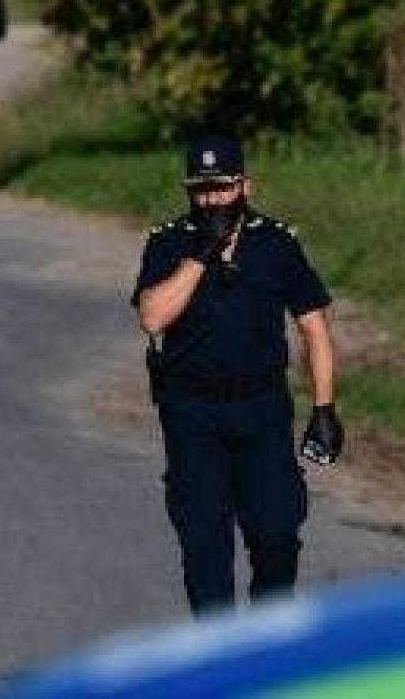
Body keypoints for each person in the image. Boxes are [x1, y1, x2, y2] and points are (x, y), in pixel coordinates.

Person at [132, 135, 344, 615]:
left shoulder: (277, 244)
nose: (212, 200)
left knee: (277, 533)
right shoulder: (169, 242)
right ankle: (221, 650)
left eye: (222, 188)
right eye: (201, 190)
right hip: (192, 413)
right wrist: (200, 256)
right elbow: (153, 318)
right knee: (204, 546)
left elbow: (314, 326)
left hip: (262, 410)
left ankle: (265, 638)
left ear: (245, 185)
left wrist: (324, 408)